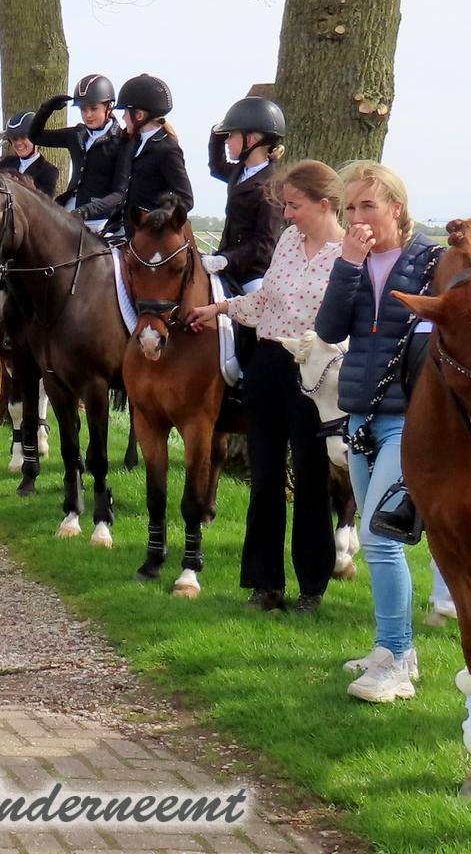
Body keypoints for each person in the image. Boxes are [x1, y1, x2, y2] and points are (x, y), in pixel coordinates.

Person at [188, 160, 343, 615]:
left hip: (315, 372)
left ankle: (312, 587)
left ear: (325, 203)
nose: (289, 215)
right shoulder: (289, 243)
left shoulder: (349, 255)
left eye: (295, 205)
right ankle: (265, 583)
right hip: (269, 363)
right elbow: (266, 300)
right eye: (286, 205)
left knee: (313, 480)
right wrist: (218, 309)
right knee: (266, 478)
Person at [315, 161, 441, 703]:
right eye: (350, 209)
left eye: (368, 205)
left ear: (396, 205)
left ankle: (395, 659)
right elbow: (328, 330)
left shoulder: (431, 261)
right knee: (376, 538)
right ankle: (394, 651)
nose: (358, 217)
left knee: (380, 539)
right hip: (362, 416)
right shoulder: (354, 261)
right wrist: (348, 264)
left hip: (409, 420)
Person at [33, 74, 131, 233]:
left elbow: (118, 194)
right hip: (68, 213)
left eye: (94, 108)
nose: (88, 115)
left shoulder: (122, 142)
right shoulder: (76, 134)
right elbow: (35, 136)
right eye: (83, 109)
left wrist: (87, 211)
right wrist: (46, 109)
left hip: (101, 220)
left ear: (108, 107)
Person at [205, 98, 285, 291]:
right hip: (225, 265)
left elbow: (265, 242)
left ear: (251, 140)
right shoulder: (239, 172)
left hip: (252, 274)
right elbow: (216, 167)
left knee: (256, 316)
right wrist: (217, 132)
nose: (227, 140)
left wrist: (227, 259)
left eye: (231, 135)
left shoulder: (272, 185)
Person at [118, 73, 193, 231]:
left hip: (150, 235)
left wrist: (162, 215)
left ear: (139, 115)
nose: (123, 117)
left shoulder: (167, 149)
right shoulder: (133, 143)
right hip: (123, 227)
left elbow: (186, 198)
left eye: (126, 112)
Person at [0, 113, 60, 198]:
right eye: (14, 138)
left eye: (23, 137)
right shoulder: (6, 163)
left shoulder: (49, 171)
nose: (18, 143)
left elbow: (41, 205)